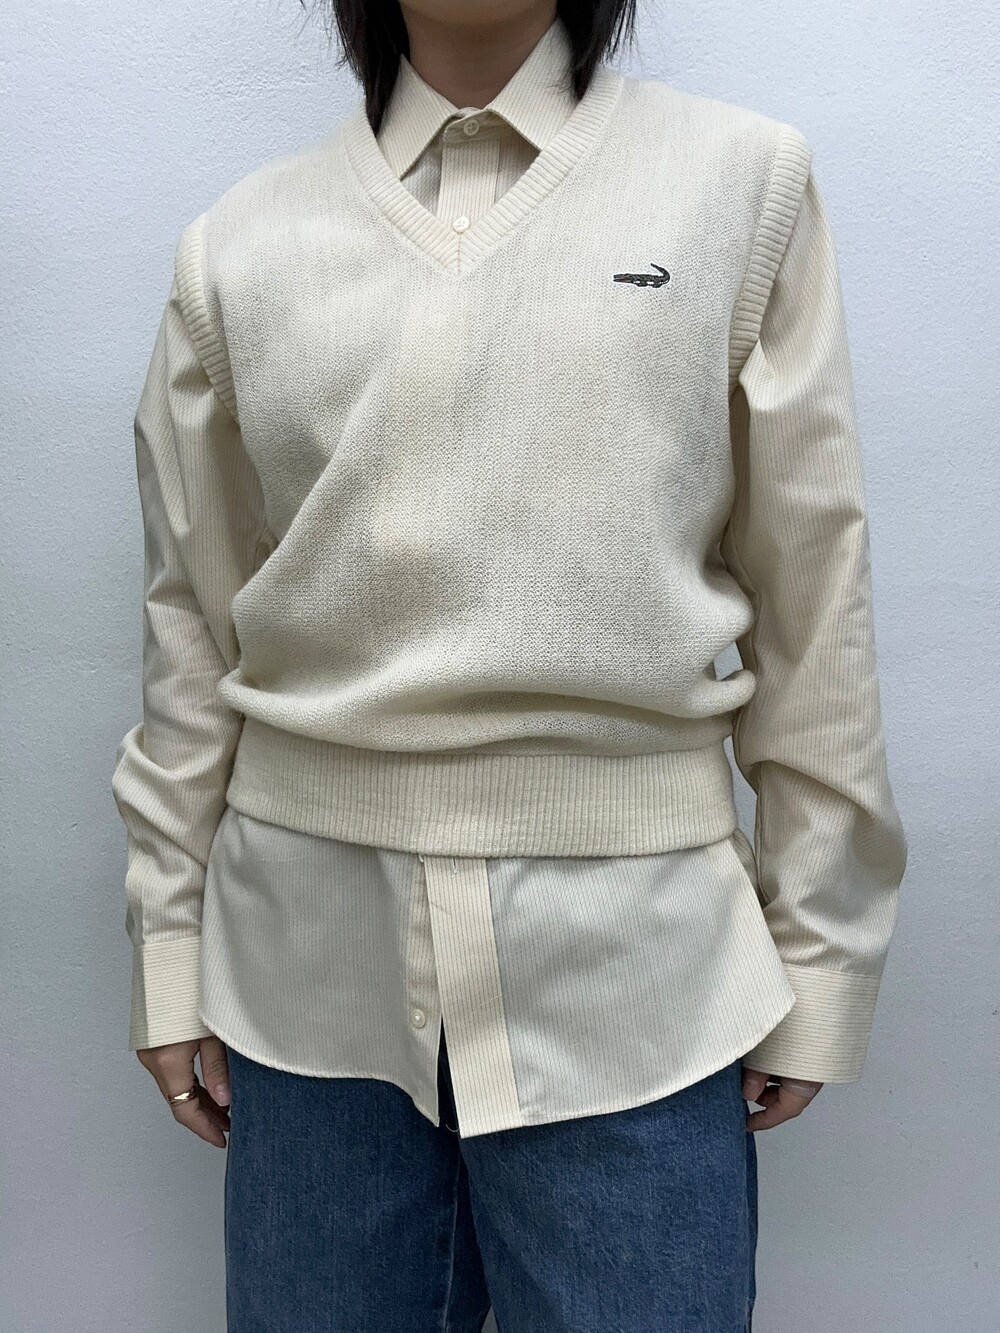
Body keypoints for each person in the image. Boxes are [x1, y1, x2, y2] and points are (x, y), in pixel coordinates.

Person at [111, 2, 908, 1329]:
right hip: (305, 987)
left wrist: (820, 952)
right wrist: (168, 939)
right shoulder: (239, 247)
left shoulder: (741, 185)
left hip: (641, 985)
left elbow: (812, 590)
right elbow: (192, 622)